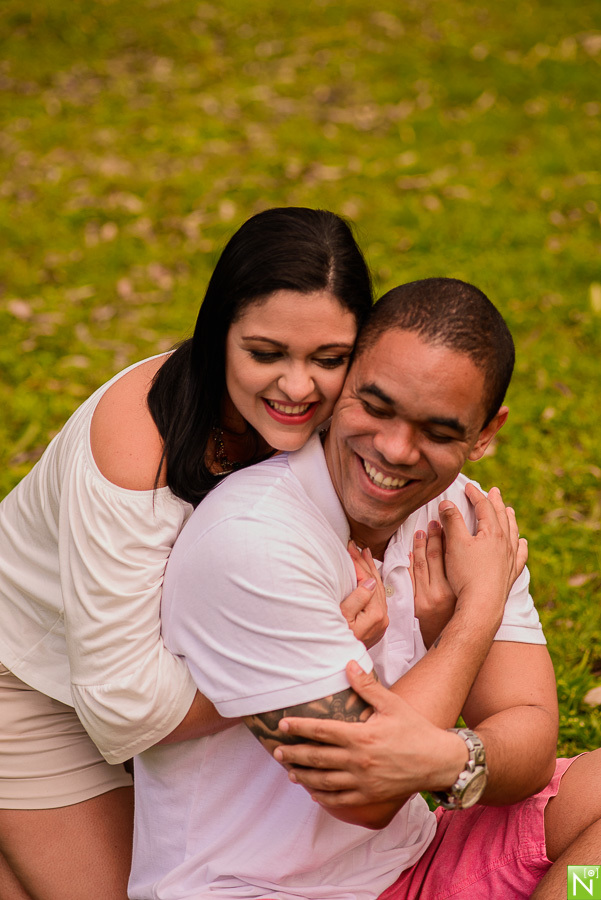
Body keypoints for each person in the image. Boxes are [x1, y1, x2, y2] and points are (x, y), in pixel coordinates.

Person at [130, 277, 601, 900]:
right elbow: (367, 792)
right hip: (261, 890)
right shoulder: (253, 539)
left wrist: (446, 761)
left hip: (412, 864)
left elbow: (534, 736)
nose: (394, 450)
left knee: (590, 878)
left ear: (485, 433)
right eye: (376, 408)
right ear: (342, 381)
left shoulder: (462, 519)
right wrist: (472, 619)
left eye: (437, 431)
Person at [0, 207, 383, 900]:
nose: (298, 388)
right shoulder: (134, 441)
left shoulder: (367, 436)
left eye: (328, 359)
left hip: (188, 690)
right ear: (217, 339)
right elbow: (124, 707)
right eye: (265, 353)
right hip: (30, 685)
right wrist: (298, 655)